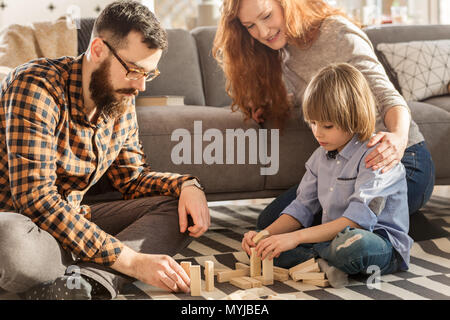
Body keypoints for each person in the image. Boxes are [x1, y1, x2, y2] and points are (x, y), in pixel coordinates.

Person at [0, 1, 210, 300]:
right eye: (134, 70)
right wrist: (134, 261)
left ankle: (86, 282)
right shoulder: (35, 85)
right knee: (8, 243)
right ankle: (93, 271)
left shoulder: (121, 99)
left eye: (148, 74)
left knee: (173, 207)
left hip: (75, 222)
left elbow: (132, 178)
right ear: (98, 49)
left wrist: (187, 184)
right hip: (24, 226)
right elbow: (36, 200)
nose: (141, 87)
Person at [212, 0, 435, 228]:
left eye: (267, 16)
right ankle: (385, 222)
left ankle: (385, 226)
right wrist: (274, 105)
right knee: (271, 223)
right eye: (250, 26)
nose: (262, 31)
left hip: (397, 163)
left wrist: (398, 136)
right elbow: (319, 100)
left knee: (318, 230)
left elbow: (386, 94)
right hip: (345, 168)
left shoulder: (336, 33)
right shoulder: (282, 50)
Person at [241, 63, 413, 285]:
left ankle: (316, 259)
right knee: (265, 248)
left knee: (354, 244)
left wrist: (294, 238)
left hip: (377, 244)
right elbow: (301, 207)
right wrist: (263, 235)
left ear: (353, 116)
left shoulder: (376, 155)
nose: (318, 133)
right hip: (332, 239)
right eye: (312, 123)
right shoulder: (319, 157)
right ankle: (322, 262)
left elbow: (357, 222)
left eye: (327, 126)